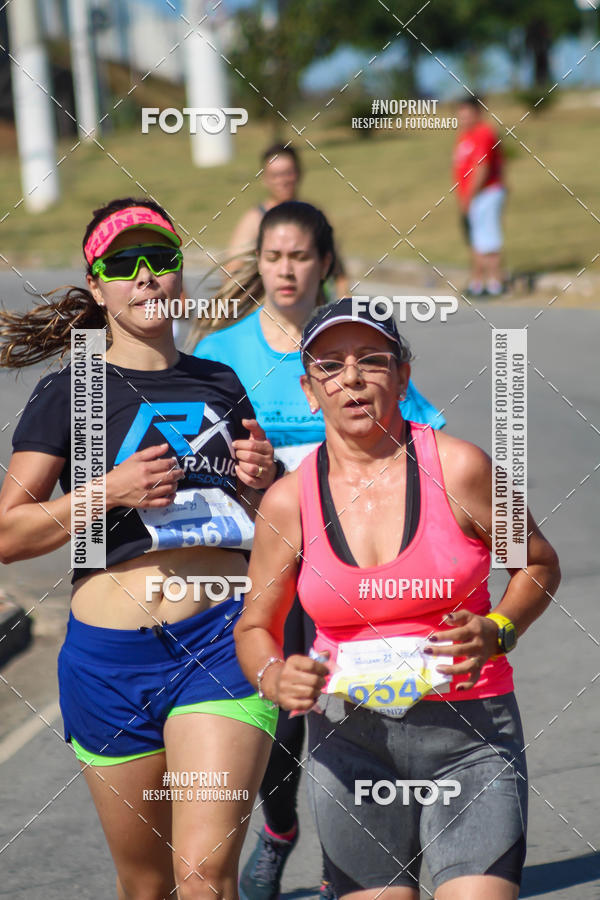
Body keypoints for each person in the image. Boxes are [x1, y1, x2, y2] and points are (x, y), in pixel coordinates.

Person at [0, 197, 283, 900]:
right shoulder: (72, 391)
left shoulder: (219, 381)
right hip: (108, 660)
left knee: (203, 876)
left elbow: (263, 520)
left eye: (162, 260)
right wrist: (109, 490)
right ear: (98, 286)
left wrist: (262, 485)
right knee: (146, 883)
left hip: (221, 644)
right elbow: (8, 533)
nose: (148, 276)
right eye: (124, 265)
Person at [235, 297, 561, 899]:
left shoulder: (461, 469)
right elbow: (255, 625)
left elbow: (537, 564)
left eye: (372, 360)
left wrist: (499, 629)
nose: (352, 377)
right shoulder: (288, 502)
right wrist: (274, 676)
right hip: (349, 747)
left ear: (403, 376)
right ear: (310, 390)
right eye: (330, 366)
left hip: (470, 740)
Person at [187, 203, 446, 900]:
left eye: (301, 256)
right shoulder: (220, 354)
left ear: (324, 262)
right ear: (258, 264)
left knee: (361, 707)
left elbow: (422, 434)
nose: (286, 269)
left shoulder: (355, 347)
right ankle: (278, 831)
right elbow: (194, 469)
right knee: (280, 716)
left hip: (359, 564)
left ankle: (361, 860)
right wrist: (247, 474)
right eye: (273, 256)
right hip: (270, 559)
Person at [227, 143, 348, 297]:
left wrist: (345, 305)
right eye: (275, 175)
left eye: (287, 173)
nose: (282, 181)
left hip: (314, 311)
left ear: (299, 173)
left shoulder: (315, 216)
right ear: (265, 179)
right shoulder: (254, 220)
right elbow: (232, 273)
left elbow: (337, 269)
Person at [454, 95, 506, 298]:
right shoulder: (464, 137)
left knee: (488, 240)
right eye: (461, 116)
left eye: (467, 115)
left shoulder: (484, 133)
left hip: (486, 193)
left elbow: (482, 168)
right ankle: (477, 283)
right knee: (477, 240)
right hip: (474, 197)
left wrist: (470, 196)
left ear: (477, 113)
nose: (463, 119)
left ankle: (495, 283)